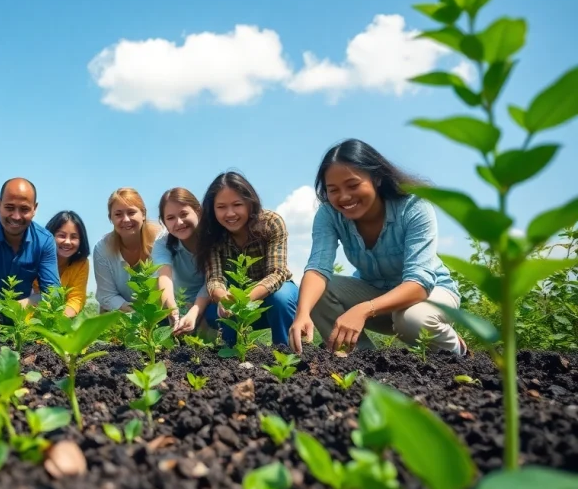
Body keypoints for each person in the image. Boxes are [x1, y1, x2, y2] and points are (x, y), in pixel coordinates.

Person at [288, 139, 466, 355]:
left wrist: (364, 309)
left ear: (377, 178)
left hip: (429, 293)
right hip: (376, 294)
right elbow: (318, 267)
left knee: (412, 319)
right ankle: (362, 363)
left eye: (353, 185)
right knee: (316, 294)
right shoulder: (329, 215)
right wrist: (302, 314)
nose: (344, 197)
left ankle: (458, 354)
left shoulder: (413, 208)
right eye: (333, 190)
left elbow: (419, 283)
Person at [195, 172, 299, 346]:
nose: (230, 213)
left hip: (273, 295)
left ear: (250, 203)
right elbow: (214, 278)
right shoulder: (211, 234)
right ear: (212, 209)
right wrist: (225, 299)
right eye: (221, 207)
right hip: (236, 298)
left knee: (281, 299)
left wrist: (245, 299)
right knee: (214, 313)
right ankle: (234, 356)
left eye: (237, 205)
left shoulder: (271, 222)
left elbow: (277, 273)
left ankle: (286, 352)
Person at [0, 178, 60, 312]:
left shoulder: (45, 241)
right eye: (9, 207)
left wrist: (8, 309)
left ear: (34, 209)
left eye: (24, 209)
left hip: (20, 320)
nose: (16, 216)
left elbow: (53, 294)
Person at [93, 188, 177, 322]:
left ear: (143, 214)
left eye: (131, 212)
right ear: (111, 218)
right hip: (123, 315)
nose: (126, 219)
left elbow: (170, 281)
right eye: (118, 214)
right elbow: (107, 295)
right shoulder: (102, 249)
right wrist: (137, 314)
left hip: (164, 311)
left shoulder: (161, 238)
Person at [153, 188, 211, 336]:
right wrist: (171, 309)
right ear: (164, 221)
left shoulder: (213, 238)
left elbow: (212, 281)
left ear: (198, 211)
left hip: (211, 298)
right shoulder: (162, 242)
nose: (179, 222)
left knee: (211, 330)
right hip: (181, 300)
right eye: (170, 218)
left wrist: (195, 310)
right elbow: (164, 276)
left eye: (184, 214)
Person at [34, 211, 91, 318]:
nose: (67, 242)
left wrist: (59, 320)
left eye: (74, 237)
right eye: (62, 236)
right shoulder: (35, 257)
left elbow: (76, 298)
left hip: (62, 319)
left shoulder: (81, 263)